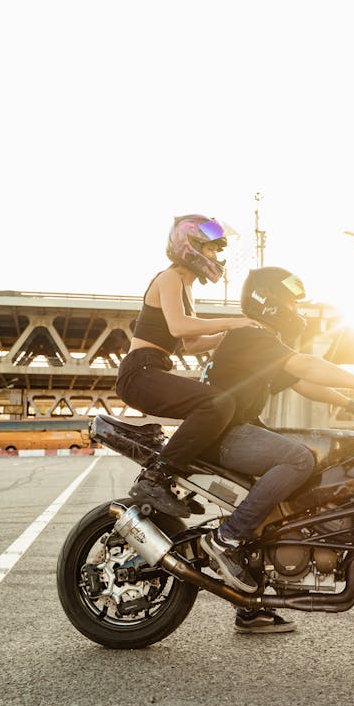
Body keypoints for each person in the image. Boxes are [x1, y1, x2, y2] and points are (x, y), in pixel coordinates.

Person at [199, 266, 354, 630]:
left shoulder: (260, 341)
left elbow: (302, 381)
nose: (296, 310)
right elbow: (305, 364)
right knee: (298, 458)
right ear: (269, 302)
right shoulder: (251, 335)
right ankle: (227, 539)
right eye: (290, 302)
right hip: (225, 435)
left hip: (236, 430)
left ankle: (251, 602)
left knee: (299, 477)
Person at [115, 214, 260, 516]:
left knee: (223, 405)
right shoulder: (169, 277)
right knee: (215, 403)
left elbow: (191, 344)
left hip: (150, 370)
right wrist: (234, 321)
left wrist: (234, 337)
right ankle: (156, 477)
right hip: (139, 372)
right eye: (210, 249)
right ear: (190, 246)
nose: (216, 257)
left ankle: (178, 478)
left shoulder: (186, 287)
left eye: (217, 250)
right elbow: (181, 327)